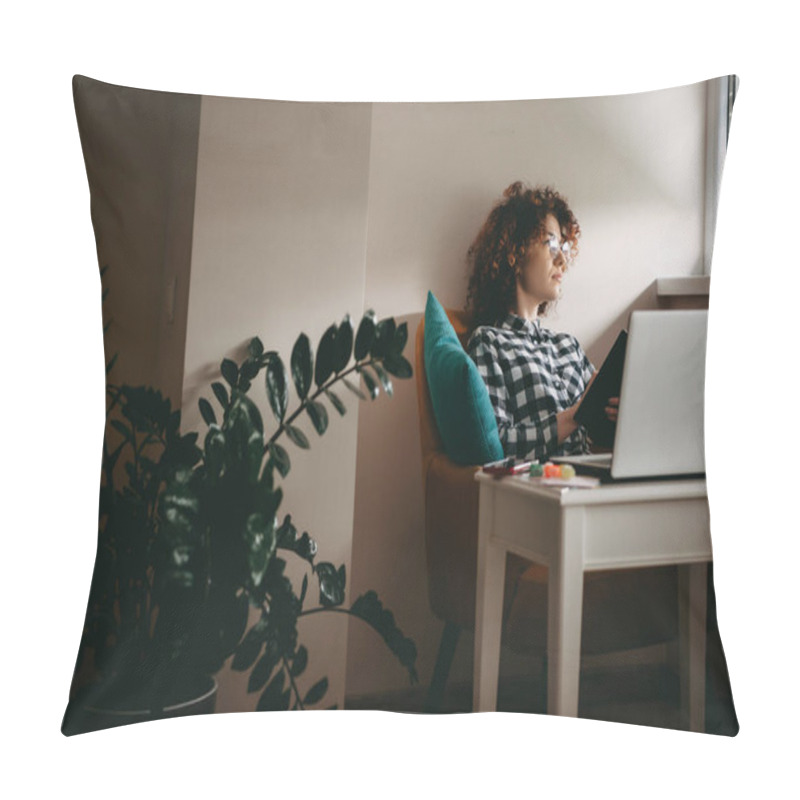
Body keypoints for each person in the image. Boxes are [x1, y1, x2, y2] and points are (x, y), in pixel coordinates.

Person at [466, 181, 617, 463]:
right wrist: (575, 415)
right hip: (541, 489)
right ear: (516, 254)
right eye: (550, 243)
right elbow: (497, 444)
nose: (562, 259)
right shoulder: (489, 343)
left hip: (588, 483)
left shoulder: (568, 346)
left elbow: (600, 427)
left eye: (563, 246)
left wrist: (616, 415)